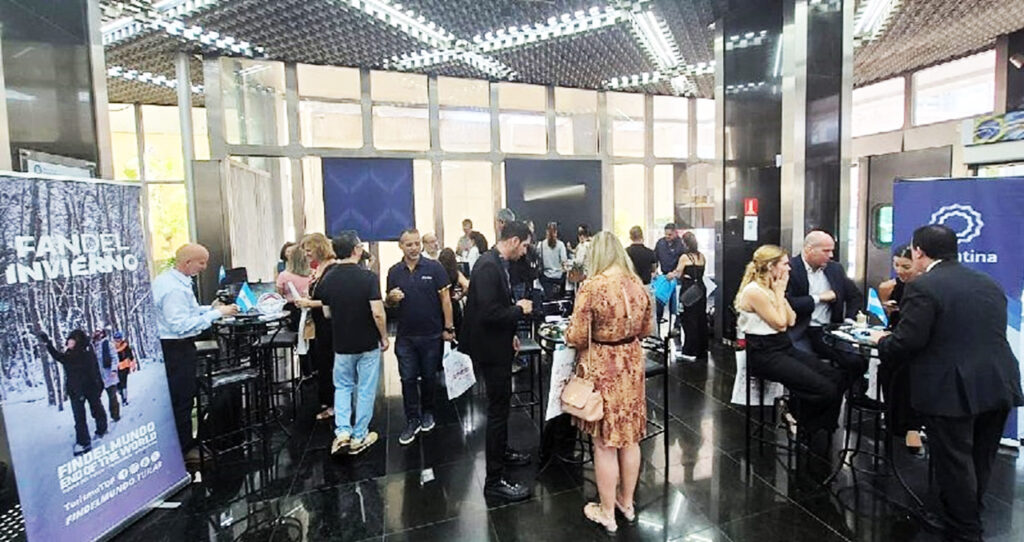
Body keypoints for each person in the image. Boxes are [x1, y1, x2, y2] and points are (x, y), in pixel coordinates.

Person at [870, 225, 1023, 542]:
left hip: (952, 388)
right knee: (981, 457)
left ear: (919, 252)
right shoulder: (988, 282)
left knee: (954, 461)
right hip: (998, 381)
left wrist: (881, 341)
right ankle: (966, 513)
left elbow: (908, 342)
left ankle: (965, 530)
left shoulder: (923, 286)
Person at [564, 231, 653, 535]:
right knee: (630, 438)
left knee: (604, 442)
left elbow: (577, 335)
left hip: (603, 366)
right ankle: (626, 503)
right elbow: (646, 328)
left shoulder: (592, 286)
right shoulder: (637, 283)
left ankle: (606, 513)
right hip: (632, 363)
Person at [734, 244, 843, 438]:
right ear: (771, 266)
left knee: (835, 377)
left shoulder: (772, 287)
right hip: (764, 353)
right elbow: (781, 323)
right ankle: (804, 425)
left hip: (782, 346)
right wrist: (779, 293)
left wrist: (779, 294)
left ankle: (816, 425)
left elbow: (791, 319)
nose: (789, 268)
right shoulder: (754, 291)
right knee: (824, 389)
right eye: (785, 264)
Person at [461, 221, 535, 502]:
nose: (525, 251)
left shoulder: (495, 263)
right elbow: (489, 314)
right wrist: (519, 310)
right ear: (514, 241)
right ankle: (494, 480)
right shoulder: (488, 267)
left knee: (501, 410)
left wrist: (511, 334)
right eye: (524, 245)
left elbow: (494, 308)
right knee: (497, 412)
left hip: (498, 344)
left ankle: (502, 452)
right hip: (490, 351)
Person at [152, 243, 238, 453]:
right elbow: (181, 325)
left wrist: (211, 308)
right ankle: (184, 449)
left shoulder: (172, 280)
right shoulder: (173, 289)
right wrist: (217, 314)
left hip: (174, 347)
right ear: (187, 262)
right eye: (201, 262)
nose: (204, 267)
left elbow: (188, 310)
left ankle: (183, 445)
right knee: (182, 399)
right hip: (176, 349)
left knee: (181, 397)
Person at [312, 231, 389, 456]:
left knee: (343, 386)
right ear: (356, 249)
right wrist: (384, 337)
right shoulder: (368, 277)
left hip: (341, 343)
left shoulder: (328, 278)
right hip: (367, 342)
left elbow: (327, 313)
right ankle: (359, 435)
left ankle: (343, 433)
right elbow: (378, 313)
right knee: (365, 389)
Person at [385, 229, 455, 445]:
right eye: (409, 244)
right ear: (401, 246)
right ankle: (412, 419)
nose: (414, 248)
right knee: (407, 378)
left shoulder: (434, 268)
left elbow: (446, 299)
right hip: (405, 335)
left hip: (432, 334)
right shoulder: (394, 271)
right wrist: (391, 298)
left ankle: (428, 412)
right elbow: (388, 302)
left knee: (429, 376)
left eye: (417, 243)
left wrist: (449, 327)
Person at [785, 230, 866, 388]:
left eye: (832, 251)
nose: (831, 255)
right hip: (800, 329)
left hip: (827, 330)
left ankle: (842, 392)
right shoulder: (790, 269)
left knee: (857, 360)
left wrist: (849, 321)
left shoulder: (835, 269)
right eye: (826, 251)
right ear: (809, 249)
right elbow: (787, 303)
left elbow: (855, 296)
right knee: (807, 368)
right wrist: (818, 298)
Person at [874, 244, 925, 453]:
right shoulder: (888, 287)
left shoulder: (926, 289)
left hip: (916, 341)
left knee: (910, 370)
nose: (900, 271)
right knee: (889, 366)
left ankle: (913, 426)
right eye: (896, 265)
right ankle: (892, 418)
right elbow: (888, 320)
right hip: (895, 337)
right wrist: (888, 310)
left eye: (906, 267)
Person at [38, 329, 107, 455]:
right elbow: (58, 356)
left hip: (89, 388)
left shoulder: (85, 354)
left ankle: (100, 430)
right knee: (80, 418)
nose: (68, 343)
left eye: (71, 341)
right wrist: (48, 343)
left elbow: (95, 370)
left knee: (96, 409)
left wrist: (99, 385)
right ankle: (84, 441)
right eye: (68, 341)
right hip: (76, 391)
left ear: (77, 341)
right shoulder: (70, 354)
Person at [294, 233, 338, 422]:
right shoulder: (319, 269)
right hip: (320, 324)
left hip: (330, 325)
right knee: (322, 362)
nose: (306, 254)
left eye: (308, 250)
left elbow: (333, 301)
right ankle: (327, 400)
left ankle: (334, 404)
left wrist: (309, 303)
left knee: (329, 363)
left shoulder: (332, 270)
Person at [671, 232, 708, 361]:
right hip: (701, 289)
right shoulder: (702, 256)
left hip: (688, 289)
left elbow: (678, 273)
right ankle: (702, 349)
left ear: (685, 243)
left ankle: (690, 351)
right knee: (701, 318)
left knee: (688, 319)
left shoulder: (684, 257)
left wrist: (671, 275)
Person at [653, 223, 684, 327]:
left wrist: (675, 273)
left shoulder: (681, 244)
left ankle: (677, 324)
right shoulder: (660, 243)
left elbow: (684, 262)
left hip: (677, 277)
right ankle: (658, 321)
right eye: (666, 234)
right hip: (664, 276)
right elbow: (655, 258)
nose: (667, 237)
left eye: (670, 235)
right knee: (659, 299)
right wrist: (654, 270)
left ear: (676, 233)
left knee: (676, 303)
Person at [438, 248, 469, 341]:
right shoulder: (456, 272)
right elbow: (467, 286)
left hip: (439, 304)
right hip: (453, 303)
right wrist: (460, 296)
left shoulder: (438, 272)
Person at [92, 329, 121, 422]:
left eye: (99, 332)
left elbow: (114, 357)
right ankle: (100, 418)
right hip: (97, 377)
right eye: (95, 333)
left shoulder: (108, 344)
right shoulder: (92, 347)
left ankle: (115, 415)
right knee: (95, 398)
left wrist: (113, 370)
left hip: (109, 374)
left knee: (112, 396)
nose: (97, 334)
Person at [539, 222, 568, 300]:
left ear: (546, 232)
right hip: (559, 278)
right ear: (556, 232)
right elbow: (564, 261)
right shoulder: (561, 245)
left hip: (546, 278)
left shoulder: (541, 245)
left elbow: (539, 260)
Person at [113, 332, 135, 406]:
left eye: (119, 338)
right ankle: (121, 393)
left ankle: (124, 399)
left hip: (125, 366)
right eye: (116, 338)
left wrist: (133, 364)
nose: (117, 340)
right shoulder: (113, 347)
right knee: (118, 384)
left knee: (124, 383)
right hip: (117, 367)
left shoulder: (125, 346)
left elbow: (130, 355)